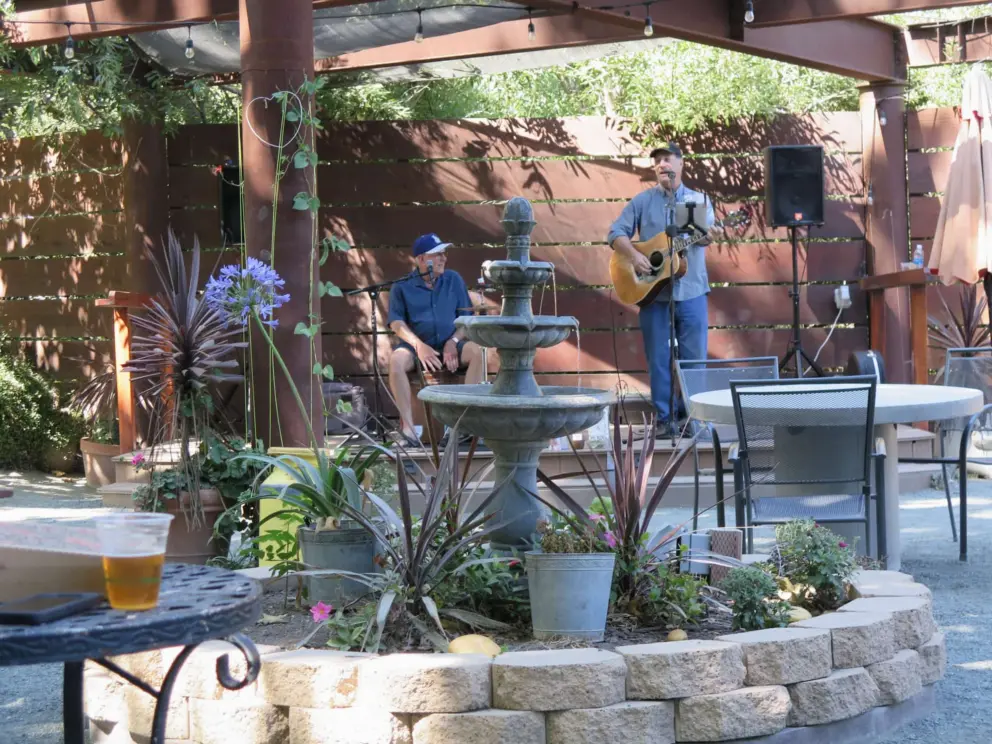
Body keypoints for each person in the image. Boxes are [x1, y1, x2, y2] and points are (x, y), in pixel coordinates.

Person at [607, 142, 720, 432]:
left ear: (681, 165)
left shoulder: (693, 201)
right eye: (658, 161)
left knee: (694, 360)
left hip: (691, 290)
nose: (662, 165)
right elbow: (615, 233)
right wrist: (635, 256)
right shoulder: (643, 202)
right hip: (652, 294)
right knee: (658, 357)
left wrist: (708, 236)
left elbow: (697, 239)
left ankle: (692, 418)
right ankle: (663, 418)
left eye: (668, 159)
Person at [387, 233, 488, 446]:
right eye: (437, 254)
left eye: (444, 254)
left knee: (478, 352)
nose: (444, 258)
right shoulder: (401, 286)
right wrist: (418, 345)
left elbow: (466, 318)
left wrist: (453, 341)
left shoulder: (454, 279)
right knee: (396, 361)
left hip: (452, 341)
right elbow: (396, 323)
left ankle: (461, 425)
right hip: (416, 346)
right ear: (421, 259)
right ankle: (407, 429)